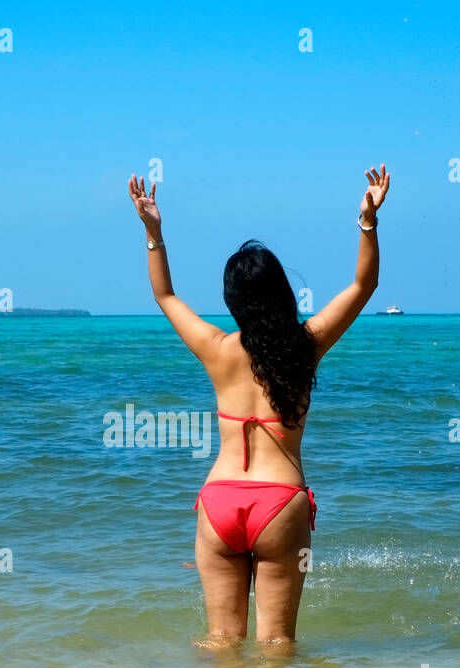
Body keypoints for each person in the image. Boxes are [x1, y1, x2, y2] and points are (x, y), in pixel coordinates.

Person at [127, 165, 390, 643]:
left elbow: (164, 295)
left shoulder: (216, 348)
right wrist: (367, 221)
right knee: (277, 647)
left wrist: (153, 233)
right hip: (279, 506)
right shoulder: (305, 344)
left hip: (220, 503)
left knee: (220, 645)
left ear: (232, 301)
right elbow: (363, 287)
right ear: (282, 291)